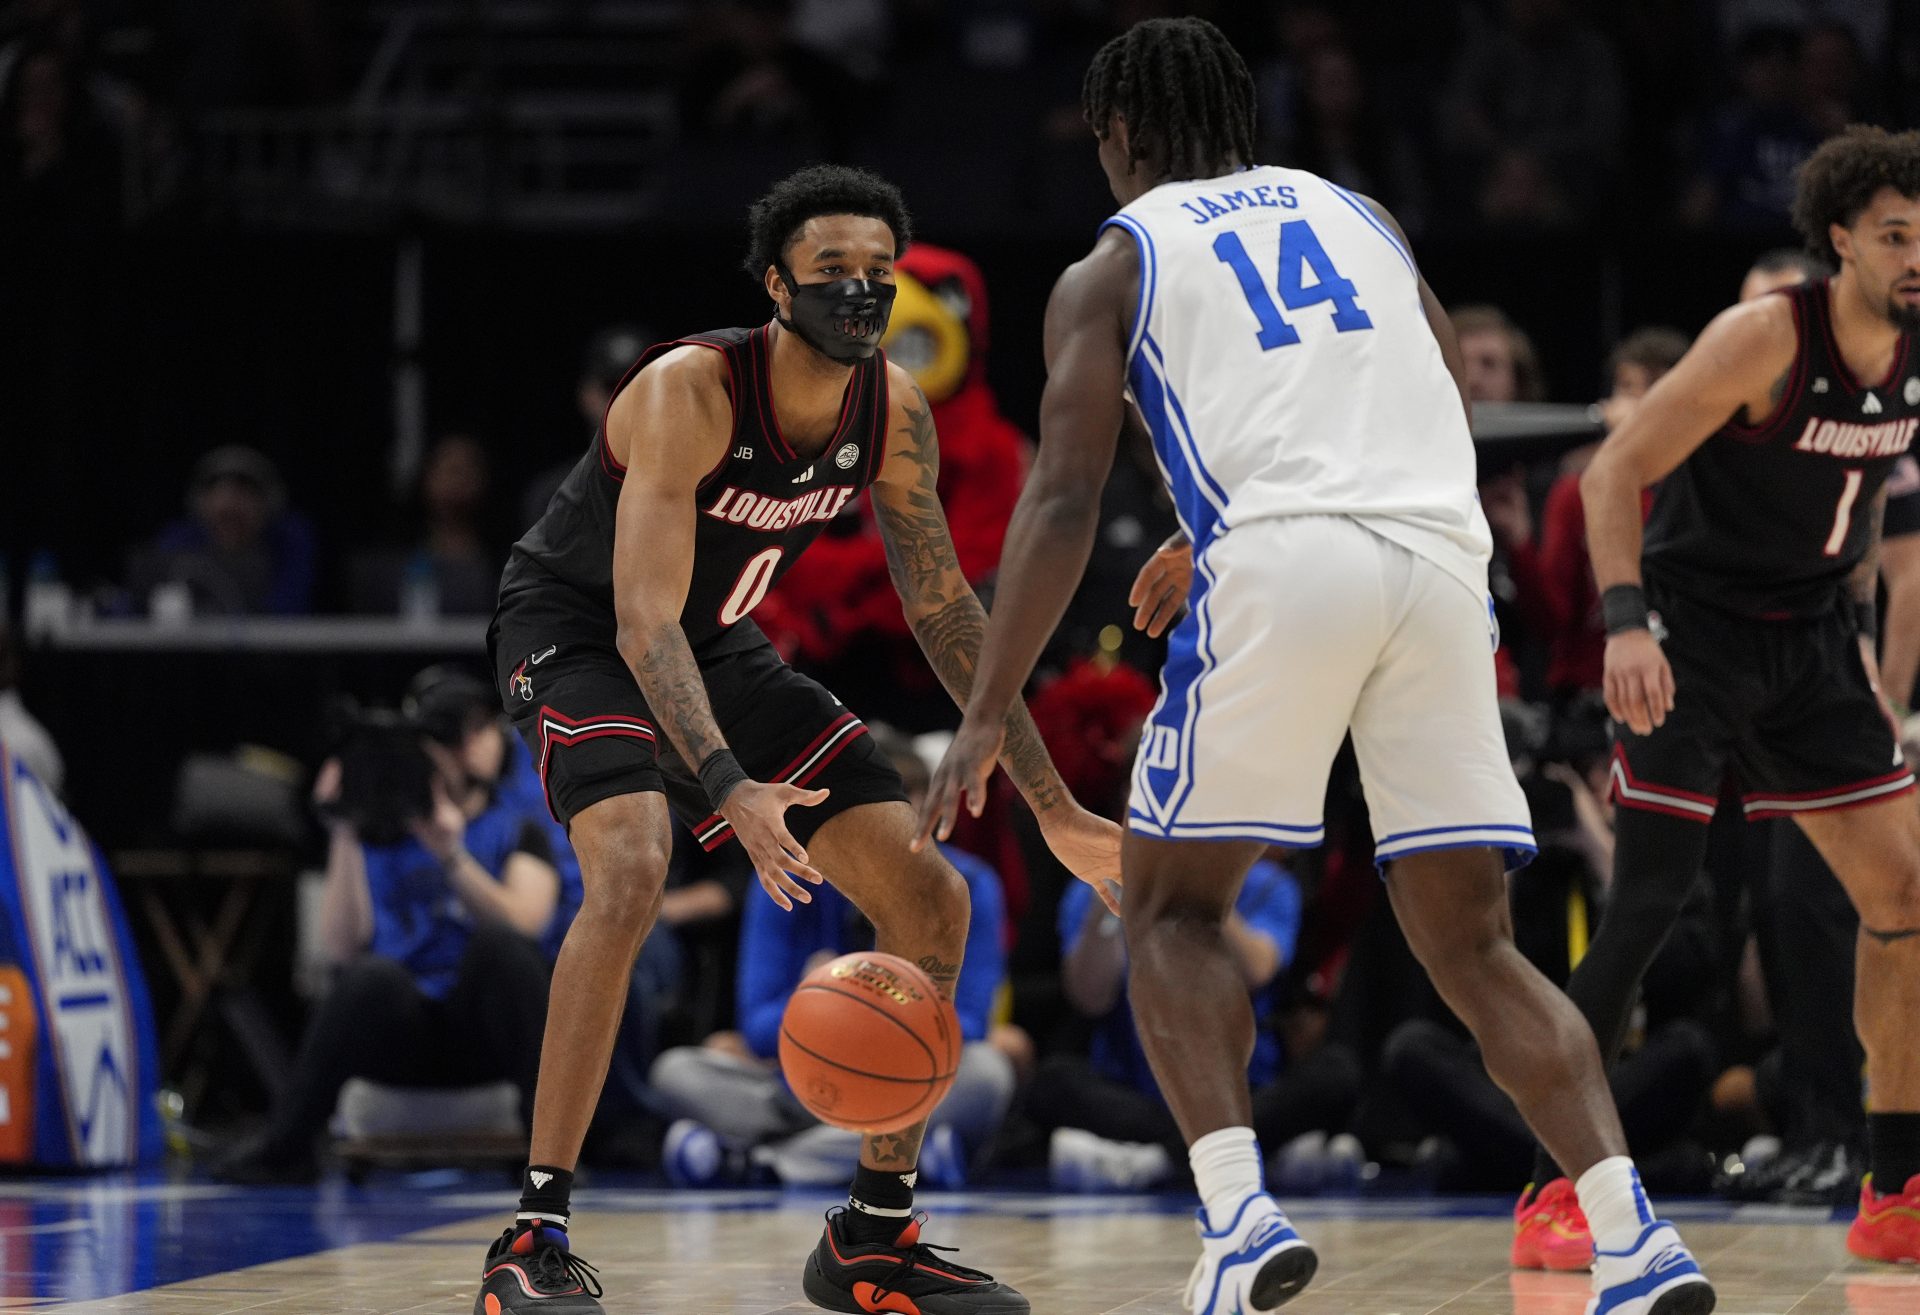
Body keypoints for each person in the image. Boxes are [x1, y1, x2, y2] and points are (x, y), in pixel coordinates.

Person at [921, 17, 1713, 1315]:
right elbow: (1443, 400)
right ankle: (1634, 1236)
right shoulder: (1365, 217)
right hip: (1441, 561)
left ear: (1120, 134)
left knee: (1168, 905)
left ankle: (1238, 1215)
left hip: (1286, 562)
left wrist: (988, 705)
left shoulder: (1111, 263)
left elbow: (1061, 501)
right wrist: (1230, 519)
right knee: (1478, 946)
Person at [480, 163, 1119, 1314]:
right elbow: (639, 617)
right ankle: (533, 1234)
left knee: (935, 902)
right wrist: (729, 783)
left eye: (881, 272)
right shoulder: (693, 389)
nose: (862, 293)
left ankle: (873, 1236)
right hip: (580, 629)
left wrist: (1059, 809)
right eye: (833, 272)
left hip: (717, 641)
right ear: (778, 284)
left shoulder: (894, 408)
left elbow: (946, 610)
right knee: (628, 868)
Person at [1576, 123, 1920, 1266]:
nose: (1917, 256)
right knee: (1650, 900)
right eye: (1895, 236)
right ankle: (1555, 1182)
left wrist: (1861, 637)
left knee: (1904, 895)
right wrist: (1627, 623)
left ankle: (1895, 1183)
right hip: (1697, 628)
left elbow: (1863, 498)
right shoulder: (1765, 335)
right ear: (1840, 240)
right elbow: (1614, 470)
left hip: (1814, 635)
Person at [215, 671, 561, 1184]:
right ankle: (287, 1146)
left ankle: (550, 1160)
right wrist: (345, 830)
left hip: (483, 1030)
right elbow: (341, 947)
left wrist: (451, 856)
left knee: (501, 948)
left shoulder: (516, 829)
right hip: (404, 1032)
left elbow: (526, 924)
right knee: (370, 976)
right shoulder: (380, 837)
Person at [649, 728, 1014, 1190]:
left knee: (987, 1074)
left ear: (926, 806)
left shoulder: (971, 884)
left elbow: (971, 1025)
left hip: (907, 1083)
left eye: (898, 804)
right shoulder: (786, 874)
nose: (883, 821)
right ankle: (904, 1162)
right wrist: (830, 1004)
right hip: (805, 1084)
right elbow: (757, 1028)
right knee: (677, 1073)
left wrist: (844, 999)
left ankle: (768, 1162)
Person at [126, 445, 317, 616]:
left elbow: (286, 612)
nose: (231, 505)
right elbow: (138, 603)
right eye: (224, 517)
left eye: (238, 515)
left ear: (267, 506)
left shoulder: (287, 544)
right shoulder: (179, 543)